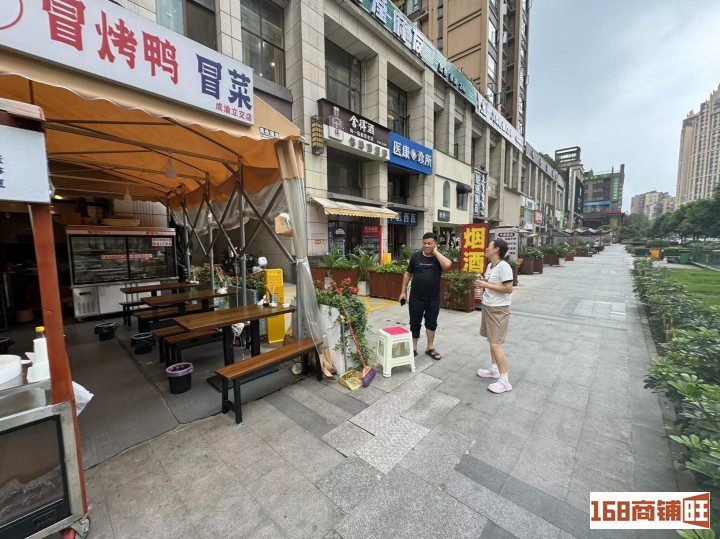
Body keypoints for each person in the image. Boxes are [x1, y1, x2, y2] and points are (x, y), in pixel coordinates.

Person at [399, 232, 452, 360]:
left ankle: (430, 348)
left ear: (435, 244)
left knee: (431, 323)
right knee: (414, 322)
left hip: (432, 299)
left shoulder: (438, 258)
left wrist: (436, 252)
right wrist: (403, 292)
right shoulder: (415, 257)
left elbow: (447, 265)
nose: (426, 246)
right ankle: (413, 348)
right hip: (416, 297)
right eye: (424, 243)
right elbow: (407, 274)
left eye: (429, 243)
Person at [476, 239, 514, 393]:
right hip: (488, 306)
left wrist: (486, 285)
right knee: (492, 340)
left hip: (498, 310)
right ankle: (494, 369)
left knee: (495, 344)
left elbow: (508, 288)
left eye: (489, 247)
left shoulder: (504, 266)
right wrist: (483, 282)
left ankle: (505, 381)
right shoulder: (491, 266)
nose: (486, 248)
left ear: (496, 249)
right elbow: (492, 284)